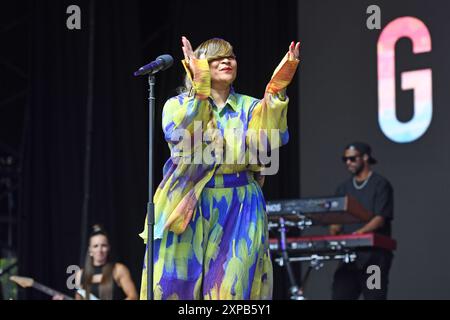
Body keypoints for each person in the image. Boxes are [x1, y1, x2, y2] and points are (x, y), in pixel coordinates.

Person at [139, 36, 300, 300]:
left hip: (240, 203)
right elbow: (187, 136)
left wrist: (276, 91)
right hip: (189, 202)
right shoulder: (176, 106)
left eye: (231, 56)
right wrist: (199, 87)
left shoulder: (250, 107)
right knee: (173, 288)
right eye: (216, 57)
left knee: (231, 291)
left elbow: (269, 140)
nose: (227, 60)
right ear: (198, 66)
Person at [330, 142, 394, 300]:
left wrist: (358, 234)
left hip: (374, 259)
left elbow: (380, 219)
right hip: (348, 257)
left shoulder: (380, 184)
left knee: (375, 297)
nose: (348, 163)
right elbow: (336, 220)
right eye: (345, 159)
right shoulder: (343, 188)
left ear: (365, 157)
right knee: (340, 295)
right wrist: (334, 230)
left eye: (352, 158)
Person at [73, 224, 138, 300]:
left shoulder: (118, 269)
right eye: (95, 246)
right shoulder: (80, 274)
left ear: (108, 248)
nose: (100, 250)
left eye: (103, 245)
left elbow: (133, 297)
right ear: (90, 250)